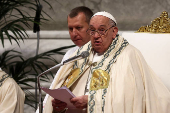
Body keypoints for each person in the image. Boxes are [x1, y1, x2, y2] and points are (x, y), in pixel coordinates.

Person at [44, 11, 170, 113]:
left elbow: (131, 98)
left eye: (102, 30)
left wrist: (91, 101)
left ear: (114, 32)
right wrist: (60, 105)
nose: (96, 36)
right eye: (92, 30)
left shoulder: (127, 55)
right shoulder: (81, 55)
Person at [37, 6, 93, 113]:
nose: (74, 33)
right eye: (70, 29)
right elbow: (56, 85)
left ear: (91, 27)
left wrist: (89, 99)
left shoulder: (102, 53)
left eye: (78, 28)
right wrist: (56, 103)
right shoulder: (70, 54)